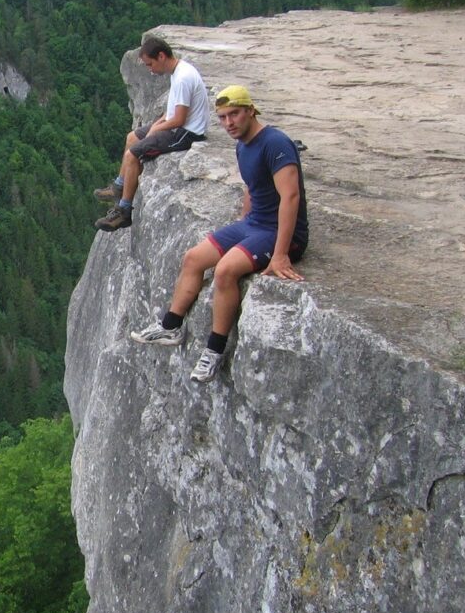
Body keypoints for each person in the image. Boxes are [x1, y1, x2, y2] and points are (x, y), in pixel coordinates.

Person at [128, 85, 308, 382]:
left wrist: (280, 255)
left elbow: (290, 198)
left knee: (225, 271)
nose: (228, 123)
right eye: (223, 118)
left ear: (251, 110)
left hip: (280, 231)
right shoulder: (243, 145)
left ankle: (214, 352)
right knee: (193, 258)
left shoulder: (276, 144)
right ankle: (171, 326)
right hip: (255, 223)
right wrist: (240, 225)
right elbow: (252, 187)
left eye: (234, 115)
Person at [95, 36, 211, 231]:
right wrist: (155, 124)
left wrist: (156, 129)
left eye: (150, 64)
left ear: (161, 56)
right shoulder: (178, 71)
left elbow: (180, 119)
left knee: (132, 155)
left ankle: (123, 211)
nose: (150, 69)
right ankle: (119, 186)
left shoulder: (182, 78)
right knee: (132, 138)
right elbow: (172, 111)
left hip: (186, 133)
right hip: (176, 125)